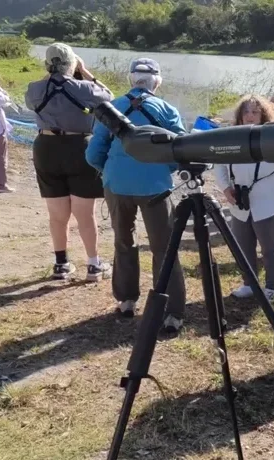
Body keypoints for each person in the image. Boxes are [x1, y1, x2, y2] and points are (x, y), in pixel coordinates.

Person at [85, 58, 188, 332]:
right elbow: (181, 150)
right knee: (164, 248)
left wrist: (108, 171)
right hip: (155, 186)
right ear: (157, 81)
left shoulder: (113, 107)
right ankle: (172, 311)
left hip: (117, 184)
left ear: (131, 80)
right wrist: (161, 170)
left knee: (123, 241)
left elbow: (93, 152)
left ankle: (126, 300)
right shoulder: (167, 109)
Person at [25, 43, 114, 281]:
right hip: (78, 148)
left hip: (45, 148)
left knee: (57, 214)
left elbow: (34, 100)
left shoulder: (34, 88)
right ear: (72, 63)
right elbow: (109, 97)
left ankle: (61, 263)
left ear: (48, 63)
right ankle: (94, 265)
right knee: (85, 214)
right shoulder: (84, 87)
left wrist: (51, 74)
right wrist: (85, 72)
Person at [215, 95, 274, 300]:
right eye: (246, 112)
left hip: (269, 202)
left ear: (263, 114)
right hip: (240, 204)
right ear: (240, 115)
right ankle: (249, 284)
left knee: (270, 248)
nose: (250, 116)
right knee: (244, 247)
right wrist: (226, 189)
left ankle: (273, 287)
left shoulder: (272, 138)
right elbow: (219, 165)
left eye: (254, 112)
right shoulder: (231, 137)